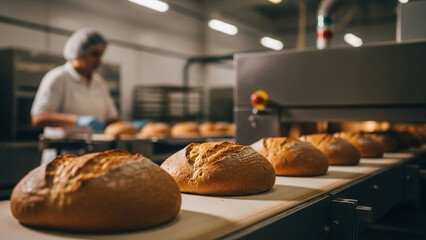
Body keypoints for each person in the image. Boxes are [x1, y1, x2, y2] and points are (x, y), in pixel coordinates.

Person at [31, 28, 119, 164]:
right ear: (78, 52)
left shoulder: (99, 82)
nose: (99, 60)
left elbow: (111, 118)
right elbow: (39, 118)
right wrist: (78, 120)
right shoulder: (58, 78)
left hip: (93, 159)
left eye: (101, 55)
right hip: (62, 159)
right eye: (94, 54)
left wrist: (129, 125)